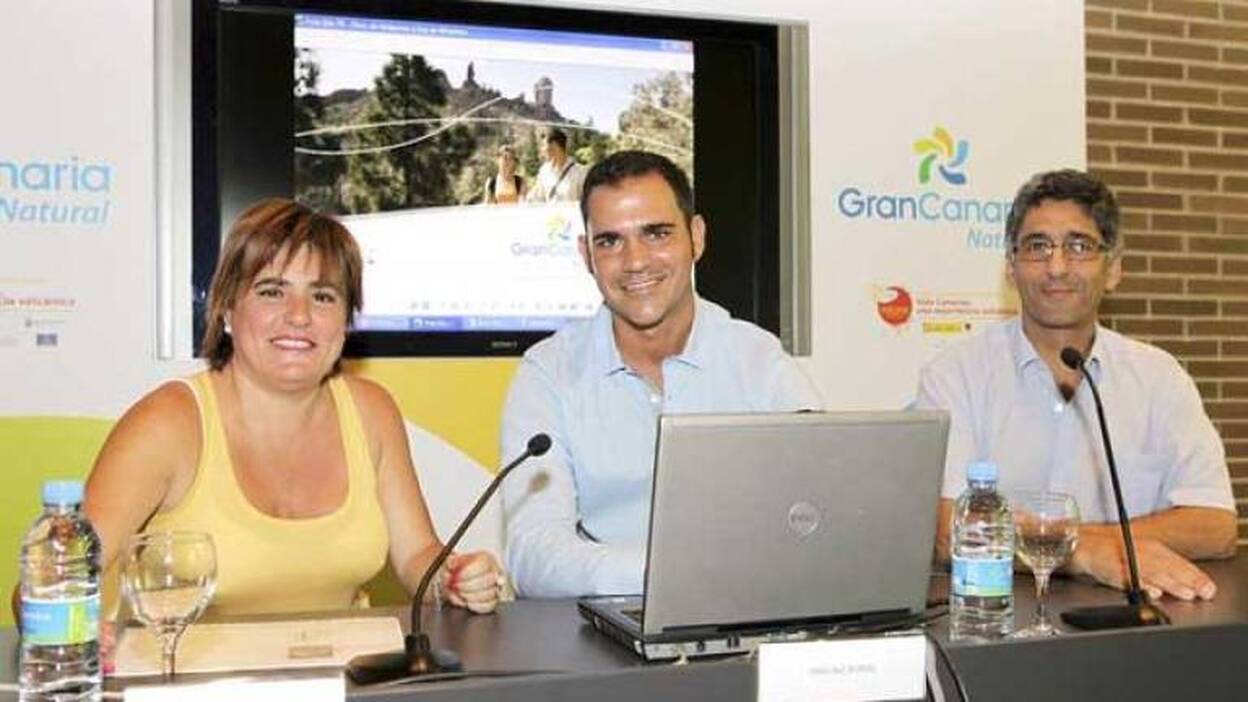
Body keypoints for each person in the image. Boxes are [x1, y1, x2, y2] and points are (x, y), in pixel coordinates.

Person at [82, 199, 505, 617]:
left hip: (350, 662)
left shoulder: (372, 411)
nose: (299, 315)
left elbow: (416, 556)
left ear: (346, 320)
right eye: (272, 292)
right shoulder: (167, 423)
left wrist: (451, 578)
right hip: (188, 664)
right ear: (227, 308)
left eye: (322, 296)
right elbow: (66, 577)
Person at [501, 150, 822, 597]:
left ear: (697, 237)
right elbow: (533, 556)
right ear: (586, 255)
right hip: (602, 627)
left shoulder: (760, 361)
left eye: (656, 233)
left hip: (747, 614)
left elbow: (819, 520)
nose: (635, 261)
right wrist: (680, 573)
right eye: (609, 241)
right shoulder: (548, 373)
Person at [916, 169, 1237, 601]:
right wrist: (1080, 553)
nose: (1057, 267)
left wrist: (1077, 541)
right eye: (1038, 247)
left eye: (1079, 246)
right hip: (996, 619)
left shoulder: (1160, 378)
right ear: (1011, 267)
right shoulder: (955, 375)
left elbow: (1215, 525)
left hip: (1135, 619)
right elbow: (944, 530)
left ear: (1114, 269)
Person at [525, 128, 586, 203]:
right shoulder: (544, 171)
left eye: (544, 146)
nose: (543, 150)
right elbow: (538, 197)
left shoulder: (579, 172)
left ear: (554, 146)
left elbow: (586, 200)